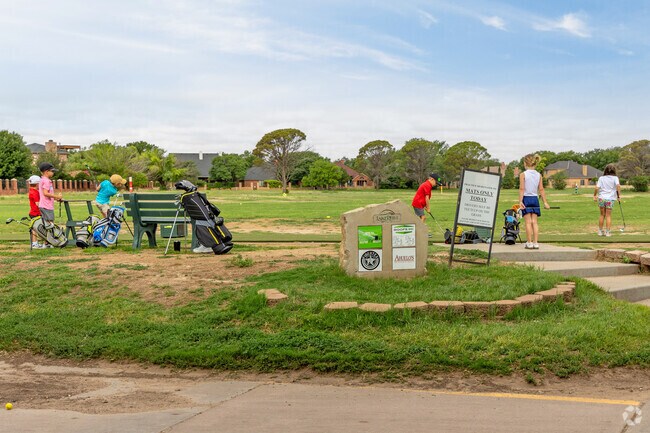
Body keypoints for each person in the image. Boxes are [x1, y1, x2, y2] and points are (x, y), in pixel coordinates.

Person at [519, 154, 550, 249]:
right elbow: (541, 189)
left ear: (525, 163)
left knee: (528, 222)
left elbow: (521, 189)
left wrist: (520, 201)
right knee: (534, 222)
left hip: (526, 199)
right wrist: (545, 202)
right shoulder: (539, 175)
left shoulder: (523, 174)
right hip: (535, 199)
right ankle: (536, 243)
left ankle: (529, 243)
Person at [38, 162, 63, 248]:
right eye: (52, 171)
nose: (53, 173)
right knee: (50, 225)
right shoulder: (46, 181)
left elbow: (46, 193)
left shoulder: (42, 180)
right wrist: (57, 196)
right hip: (47, 206)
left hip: (45, 205)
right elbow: (45, 193)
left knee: (47, 225)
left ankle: (47, 242)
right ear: (46, 171)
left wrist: (55, 198)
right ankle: (48, 242)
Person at [593, 164, 620, 237]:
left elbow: (596, 188)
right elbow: (618, 186)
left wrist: (594, 195)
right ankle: (607, 232)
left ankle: (600, 231)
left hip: (601, 198)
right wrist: (618, 196)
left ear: (605, 170)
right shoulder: (615, 178)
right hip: (610, 199)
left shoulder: (601, 178)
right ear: (614, 170)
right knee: (608, 216)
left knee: (602, 215)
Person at [27, 175, 44, 249]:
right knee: (35, 229)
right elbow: (38, 204)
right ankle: (34, 243)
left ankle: (35, 243)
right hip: (36, 213)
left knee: (35, 229)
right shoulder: (35, 193)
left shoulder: (32, 191)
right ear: (37, 184)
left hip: (33, 212)